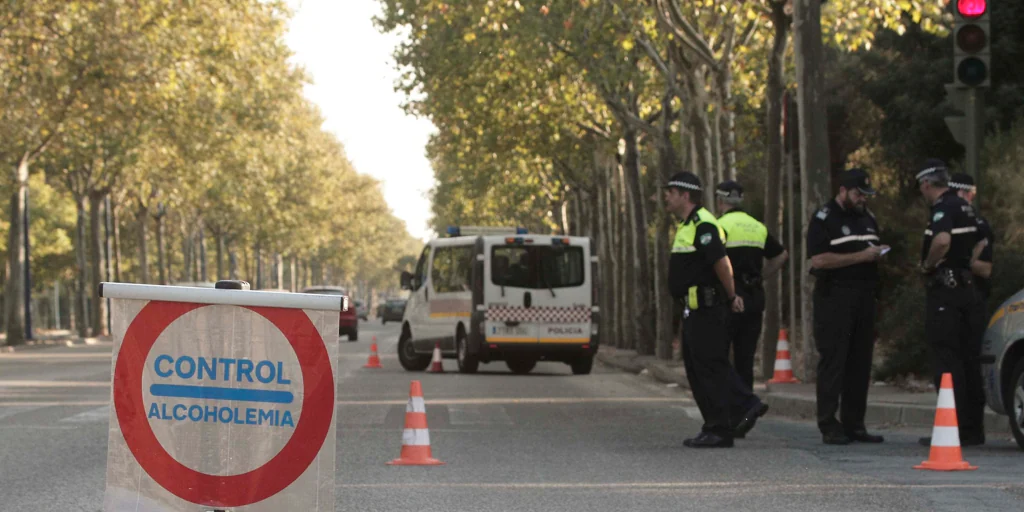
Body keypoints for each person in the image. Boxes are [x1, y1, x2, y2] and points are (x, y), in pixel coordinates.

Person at [663, 171, 768, 448]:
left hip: (707, 308)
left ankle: (742, 408)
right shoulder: (688, 225)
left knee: (712, 366)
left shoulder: (704, 224)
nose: (666, 197)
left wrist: (732, 295)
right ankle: (715, 425)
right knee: (699, 370)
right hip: (694, 309)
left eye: (670, 192)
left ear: (685, 195)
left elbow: (722, 263)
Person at [806, 168, 888, 445]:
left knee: (860, 362)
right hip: (835, 297)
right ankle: (829, 423)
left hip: (864, 297)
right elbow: (818, 260)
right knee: (834, 360)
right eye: (858, 193)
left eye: (866, 195)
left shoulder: (867, 218)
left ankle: (855, 423)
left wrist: (876, 255)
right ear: (842, 191)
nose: (863, 199)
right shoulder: (824, 218)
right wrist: (860, 256)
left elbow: (868, 252)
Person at [916, 160, 988, 447]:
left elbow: (942, 240)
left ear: (926, 185)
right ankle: (973, 428)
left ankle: (952, 428)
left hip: (947, 292)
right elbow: (982, 243)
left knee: (947, 359)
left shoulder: (943, 208)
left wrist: (928, 265)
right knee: (970, 359)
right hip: (968, 290)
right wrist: (968, 263)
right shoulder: (967, 208)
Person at [715, 181, 789, 394]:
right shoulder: (757, 226)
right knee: (745, 356)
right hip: (754, 295)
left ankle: (726, 403)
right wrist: (762, 276)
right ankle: (745, 405)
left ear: (720, 201)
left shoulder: (720, 226)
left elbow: (715, 260)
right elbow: (782, 255)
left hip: (728, 296)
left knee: (720, 352)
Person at [949, 173, 993, 302]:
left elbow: (986, 269)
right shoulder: (948, 222)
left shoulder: (978, 225)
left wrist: (950, 261)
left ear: (965, 194)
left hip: (973, 298)